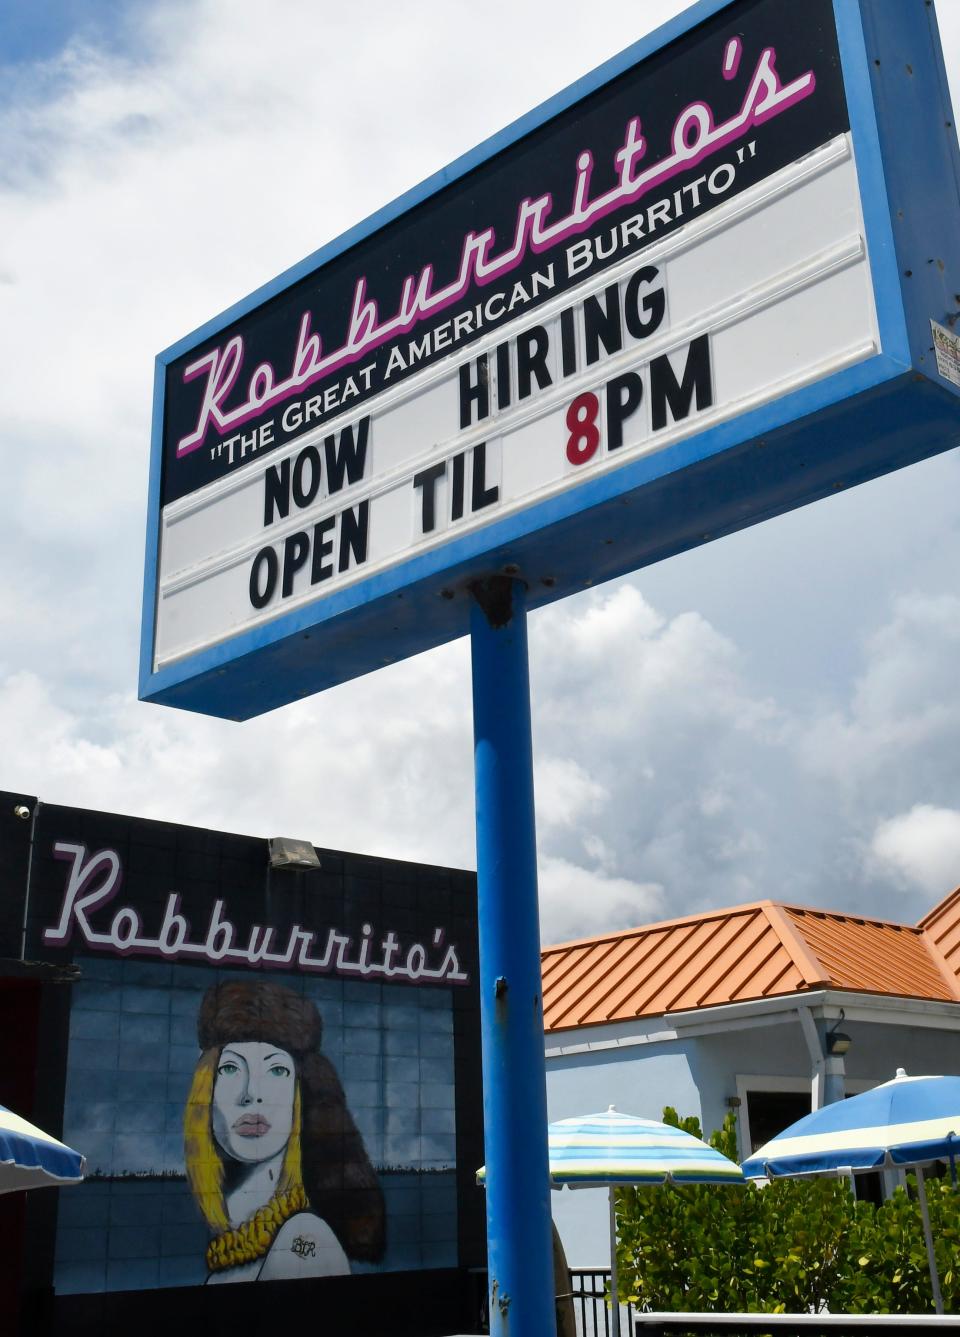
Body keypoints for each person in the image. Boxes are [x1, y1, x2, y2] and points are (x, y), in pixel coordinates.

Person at [183, 978, 385, 1283]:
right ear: (204, 1083)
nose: (252, 1093)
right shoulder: (237, 1225)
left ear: (299, 1091)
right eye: (231, 1069)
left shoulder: (304, 1240)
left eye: (277, 1070)